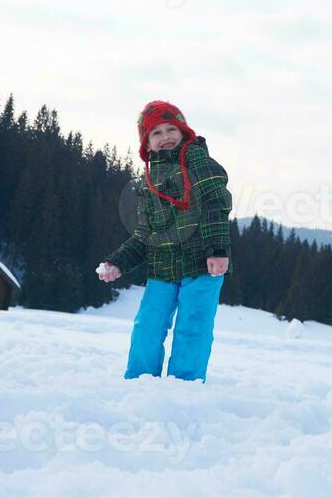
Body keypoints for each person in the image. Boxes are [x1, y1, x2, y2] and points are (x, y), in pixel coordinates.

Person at [97, 101, 233, 382]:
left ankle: (185, 385)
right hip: (162, 269)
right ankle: (139, 381)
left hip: (202, 266)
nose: (165, 136)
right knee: (147, 325)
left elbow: (215, 204)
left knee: (193, 328)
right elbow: (145, 234)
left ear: (184, 132)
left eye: (172, 129)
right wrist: (118, 261)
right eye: (156, 133)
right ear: (146, 144)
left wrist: (217, 249)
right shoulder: (147, 182)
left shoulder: (198, 162)